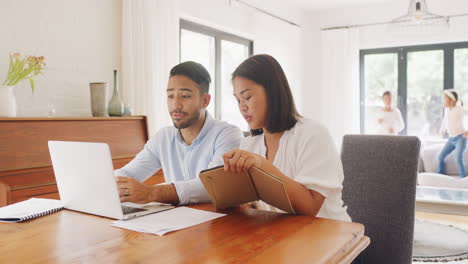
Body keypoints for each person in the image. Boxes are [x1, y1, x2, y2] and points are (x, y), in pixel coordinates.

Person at [222, 54, 351, 222]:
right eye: (238, 100)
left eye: (247, 97)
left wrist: (262, 164)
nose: (242, 107)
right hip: (282, 235)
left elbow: (310, 208)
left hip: (327, 236)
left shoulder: (313, 134)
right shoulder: (249, 144)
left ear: (272, 92)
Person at [115, 61, 243, 204]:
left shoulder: (228, 135)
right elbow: (129, 173)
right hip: (176, 221)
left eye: (185, 96)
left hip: (220, 222)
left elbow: (212, 185)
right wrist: (108, 183)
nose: (175, 105)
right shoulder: (162, 137)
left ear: (205, 100)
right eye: (170, 96)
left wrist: (152, 193)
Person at [438, 89, 468, 178]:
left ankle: (463, 178)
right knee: (440, 157)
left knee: (458, 158)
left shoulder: (459, 109)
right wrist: (442, 130)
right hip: (451, 139)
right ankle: (440, 176)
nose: (443, 101)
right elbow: (444, 121)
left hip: (460, 138)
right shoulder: (447, 110)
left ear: (452, 100)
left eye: (445, 99)